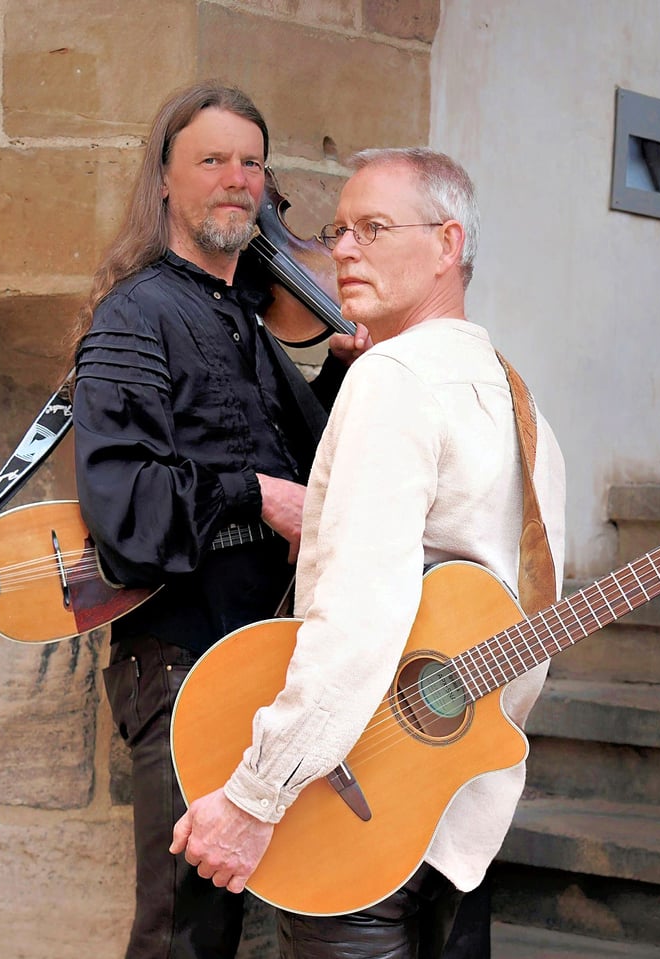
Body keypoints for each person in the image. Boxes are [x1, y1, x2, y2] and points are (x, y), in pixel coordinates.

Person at [170, 147, 567, 958]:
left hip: (358, 809)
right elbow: (525, 611)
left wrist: (254, 796)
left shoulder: (395, 381)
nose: (344, 249)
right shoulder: (511, 390)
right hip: (450, 805)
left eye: (375, 228)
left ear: (448, 243)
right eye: (340, 227)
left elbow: (358, 615)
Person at [69, 82, 367, 959]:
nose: (236, 179)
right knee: (184, 933)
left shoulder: (245, 315)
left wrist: (344, 376)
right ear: (163, 180)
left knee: (247, 920)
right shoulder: (137, 316)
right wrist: (256, 495)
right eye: (211, 160)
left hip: (264, 658)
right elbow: (124, 512)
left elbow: (297, 461)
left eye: (251, 162)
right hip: (182, 668)